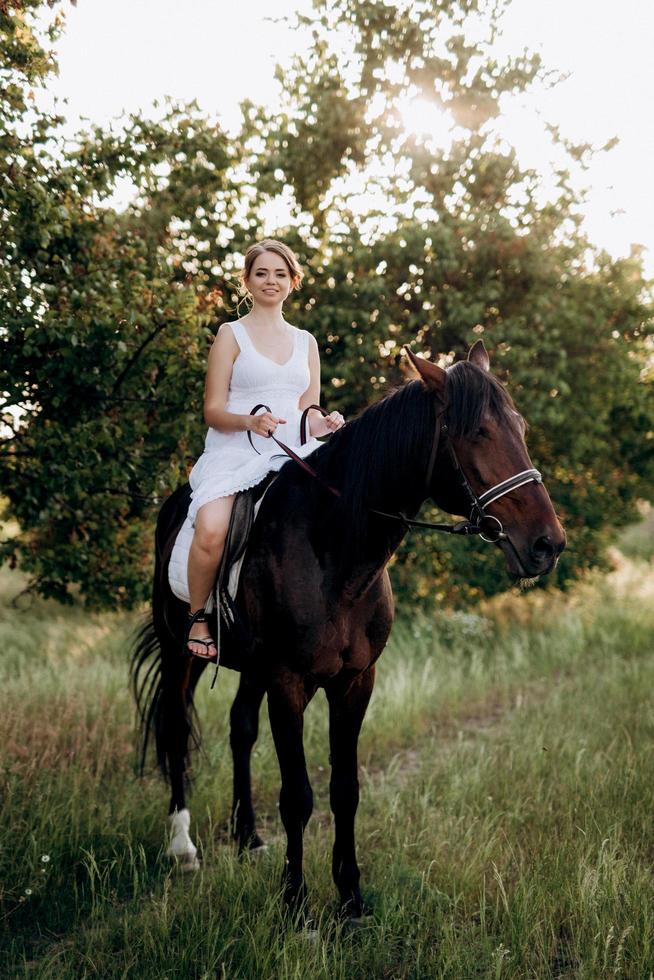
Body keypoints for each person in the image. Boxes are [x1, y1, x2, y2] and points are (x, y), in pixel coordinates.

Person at [184, 239, 345, 659]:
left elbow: (306, 410)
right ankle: (198, 615)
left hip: (290, 454)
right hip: (234, 452)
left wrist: (324, 423)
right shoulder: (230, 334)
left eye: (279, 274)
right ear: (248, 281)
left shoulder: (306, 341)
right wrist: (251, 421)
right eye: (261, 273)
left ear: (292, 281)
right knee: (213, 529)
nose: (270, 281)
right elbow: (213, 410)